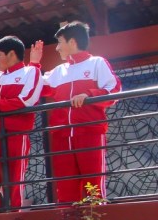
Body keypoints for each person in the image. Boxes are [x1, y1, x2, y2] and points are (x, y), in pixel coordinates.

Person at [40, 21, 122, 203]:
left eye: (60, 42)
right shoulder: (58, 71)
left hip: (89, 131)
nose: (57, 48)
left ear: (72, 42)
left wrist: (89, 94)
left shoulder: (96, 63)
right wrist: (34, 65)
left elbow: (114, 90)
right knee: (65, 186)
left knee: (93, 184)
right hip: (61, 135)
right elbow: (36, 88)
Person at [0, 36, 44, 212]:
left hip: (15, 135)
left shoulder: (31, 72)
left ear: (11, 54)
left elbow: (28, 99)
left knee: (13, 184)